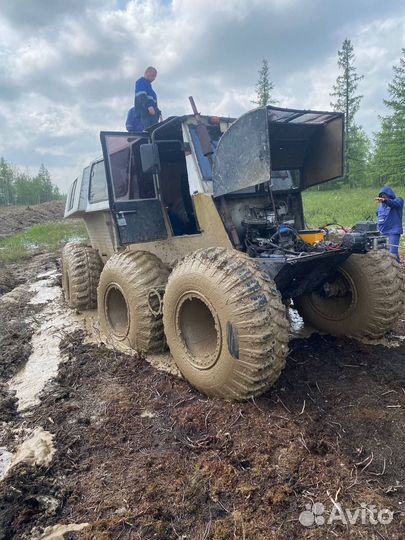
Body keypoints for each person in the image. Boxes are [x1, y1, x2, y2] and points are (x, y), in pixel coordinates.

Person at [126, 66, 161, 132]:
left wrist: (158, 112)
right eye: (153, 75)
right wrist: (149, 106)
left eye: (155, 76)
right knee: (148, 132)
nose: (154, 78)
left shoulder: (150, 89)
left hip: (153, 117)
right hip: (146, 114)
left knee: (154, 131)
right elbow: (141, 96)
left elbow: (154, 104)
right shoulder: (141, 82)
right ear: (146, 73)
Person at [375, 186, 403, 262]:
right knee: (385, 254)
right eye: (381, 196)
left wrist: (385, 200)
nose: (382, 197)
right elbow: (378, 217)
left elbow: (393, 203)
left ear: (390, 195)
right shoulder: (380, 207)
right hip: (382, 232)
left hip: (393, 232)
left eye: (384, 195)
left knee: (392, 253)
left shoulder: (399, 201)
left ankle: (396, 270)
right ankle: (398, 268)